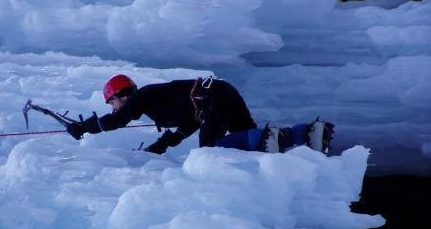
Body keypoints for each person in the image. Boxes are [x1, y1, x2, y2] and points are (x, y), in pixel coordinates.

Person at [67, 74, 333, 154]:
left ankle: (276, 135)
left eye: (110, 102)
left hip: (212, 97)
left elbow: (117, 121)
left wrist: (85, 128)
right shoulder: (148, 101)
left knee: (212, 149)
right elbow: (190, 122)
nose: (112, 107)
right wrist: (163, 144)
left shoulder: (140, 97)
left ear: (118, 96)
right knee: (249, 140)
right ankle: (308, 133)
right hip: (220, 92)